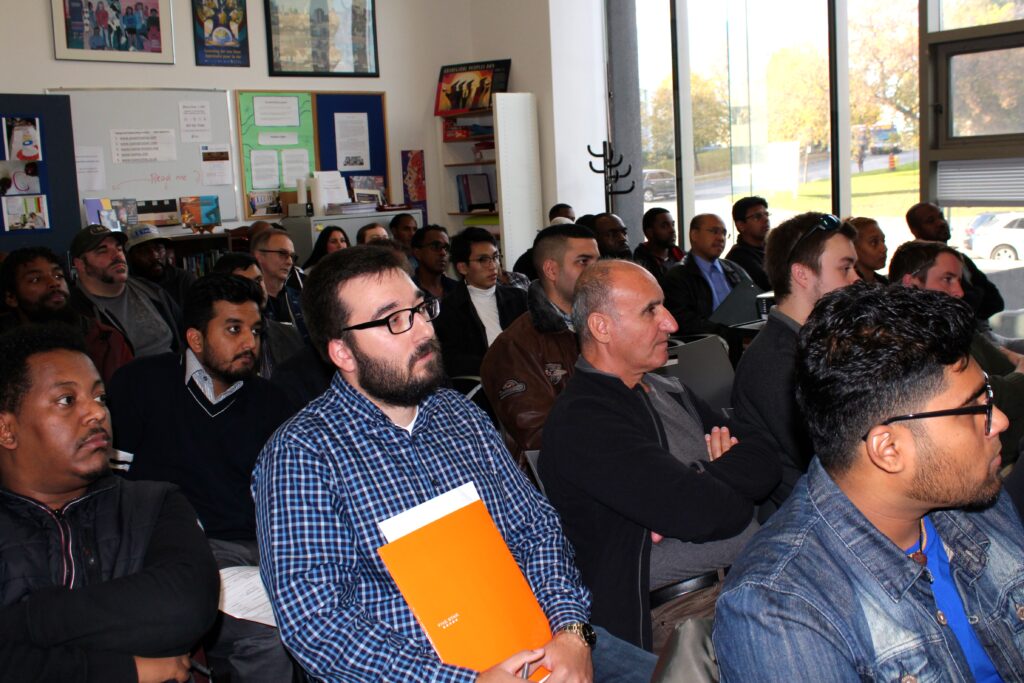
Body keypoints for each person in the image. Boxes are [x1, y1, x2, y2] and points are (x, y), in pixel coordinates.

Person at [252, 245, 657, 681]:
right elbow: (318, 625)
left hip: (542, 642)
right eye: (393, 320)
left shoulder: (457, 414)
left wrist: (572, 631)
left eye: (421, 308)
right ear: (343, 353)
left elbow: (535, 530)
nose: (423, 330)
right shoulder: (303, 454)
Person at [713, 283, 1024, 681]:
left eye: (990, 396)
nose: (999, 421)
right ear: (888, 448)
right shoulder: (782, 608)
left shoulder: (978, 501)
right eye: (973, 409)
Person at [540, 259, 779, 652]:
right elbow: (700, 513)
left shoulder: (669, 390)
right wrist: (715, 484)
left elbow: (766, 459)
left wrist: (701, 475)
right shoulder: (585, 420)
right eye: (651, 310)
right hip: (682, 612)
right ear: (602, 327)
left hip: (748, 580)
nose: (670, 322)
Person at [0, 324, 219, 683]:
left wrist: (22, 621)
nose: (97, 414)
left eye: (100, 398)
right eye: (67, 400)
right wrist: (127, 670)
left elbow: (182, 607)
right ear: (7, 430)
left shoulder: (154, 503)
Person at [108, 274, 295, 683]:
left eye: (256, 330)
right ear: (194, 339)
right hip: (181, 548)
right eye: (234, 329)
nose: (250, 342)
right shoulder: (140, 385)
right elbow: (111, 485)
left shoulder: (271, 401)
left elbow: (286, 495)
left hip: (265, 547)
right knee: (267, 638)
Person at [730, 213, 859, 518]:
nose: (856, 280)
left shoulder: (815, 345)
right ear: (802, 275)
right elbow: (834, 465)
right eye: (845, 268)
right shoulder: (779, 364)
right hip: (814, 521)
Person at [889, 239, 1024, 462]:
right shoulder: (909, 342)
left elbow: (1001, 363)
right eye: (947, 280)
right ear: (910, 284)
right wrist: (1020, 374)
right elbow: (992, 395)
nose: (959, 292)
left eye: (959, 281)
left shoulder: (953, 327)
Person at [481, 224, 599, 464]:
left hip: (613, 451)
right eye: (584, 262)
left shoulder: (603, 325)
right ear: (551, 270)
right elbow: (540, 437)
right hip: (566, 475)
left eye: (599, 260)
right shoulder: (514, 347)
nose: (597, 271)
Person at [0, 246, 133, 383]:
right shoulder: (6, 347)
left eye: (58, 276)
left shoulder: (106, 339)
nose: (54, 283)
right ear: (11, 298)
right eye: (35, 279)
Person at [68, 224, 183, 359]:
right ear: (80, 264)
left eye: (119, 248)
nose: (116, 256)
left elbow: (185, 335)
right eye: (103, 250)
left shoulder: (153, 292)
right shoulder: (75, 312)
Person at [434, 227, 527, 380]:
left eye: (495, 257)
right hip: (485, 382)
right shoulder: (449, 309)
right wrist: (499, 364)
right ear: (463, 267)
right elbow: (453, 361)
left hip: (527, 375)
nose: (493, 265)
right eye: (483, 260)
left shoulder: (519, 298)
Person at [661, 213, 756, 364]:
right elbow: (684, 321)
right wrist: (731, 333)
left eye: (724, 233)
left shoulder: (734, 269)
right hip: (706, 352)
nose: (720, 238)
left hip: (744, 346)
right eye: (714, 231)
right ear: (694, 235)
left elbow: (753, 302)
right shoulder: (678, 276)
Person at [211, 252, 304, 379]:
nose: (257, 288)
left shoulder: (290, 335)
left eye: (258, 280)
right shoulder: (215, 341)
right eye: (244, 283)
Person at [906, 201, 1004, 322]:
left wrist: (973, 297)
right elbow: (949, 310)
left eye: (941, 217)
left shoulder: (961, 258)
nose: (941, 223)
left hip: (979, 330)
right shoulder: (912, 262)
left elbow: (996, 302)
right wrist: (977, 294)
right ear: (914, 230)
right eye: (931, 221)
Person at [250, 227, 308, 339]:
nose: (290, 261)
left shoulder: (302, 299)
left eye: (292, 256)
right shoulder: (248, 302)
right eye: (282, 253)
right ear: (259, 256)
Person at [125, 223, 197, 308]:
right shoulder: (125, 286)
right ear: (130, 257)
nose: (155, 256)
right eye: (144, 251)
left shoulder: (183, 279)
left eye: (159, 248)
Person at [725, 196, 772, 291]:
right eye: (758, 217)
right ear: (741, 226)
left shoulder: (772, 248)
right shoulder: (738, 258)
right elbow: (769, 284)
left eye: (766, 214)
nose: (766, 219)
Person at [633, 207, 684, 281]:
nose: (672, 230)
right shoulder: (641, 265)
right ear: (649, 232)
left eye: (672, 225)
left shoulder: (681, 256)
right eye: (664, 226)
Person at [411, 224, 458, 300]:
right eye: (436, 246)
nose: (443, 253)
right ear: (417, 253)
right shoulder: (409, 290)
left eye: (446, 248)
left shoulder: (457, 289)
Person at [848, 215, 889, 283]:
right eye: (873, 242)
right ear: (853, 247)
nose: (884, 248)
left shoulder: (885, 284)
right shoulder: (846, 289)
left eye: (883, 241)